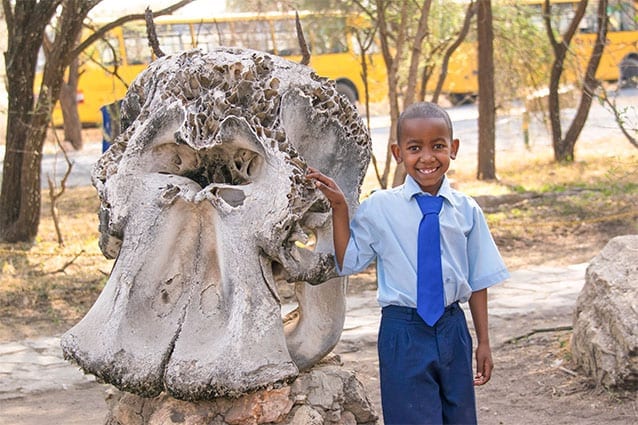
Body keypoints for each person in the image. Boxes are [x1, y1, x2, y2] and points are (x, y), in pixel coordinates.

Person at [307, 101, 509, 425]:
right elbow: (348, 262)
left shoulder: (467, 210)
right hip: (403, 332)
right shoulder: (380, 208)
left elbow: (478, 280)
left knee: (461, 418)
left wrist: (483, 342)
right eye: (415, 148)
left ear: (453, 149)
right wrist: (340, 209)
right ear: (398, 153)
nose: (427, 158)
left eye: (438, 146)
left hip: (453, 329)